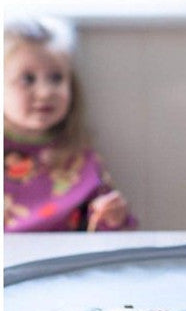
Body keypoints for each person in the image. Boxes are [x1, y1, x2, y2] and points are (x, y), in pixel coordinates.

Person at [4, 16, 137, 232]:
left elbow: (105, 236)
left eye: (56, 78)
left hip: (66, 261)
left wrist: (112, 218)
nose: (45, 92)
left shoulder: (80, 158)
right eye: (27, 79)